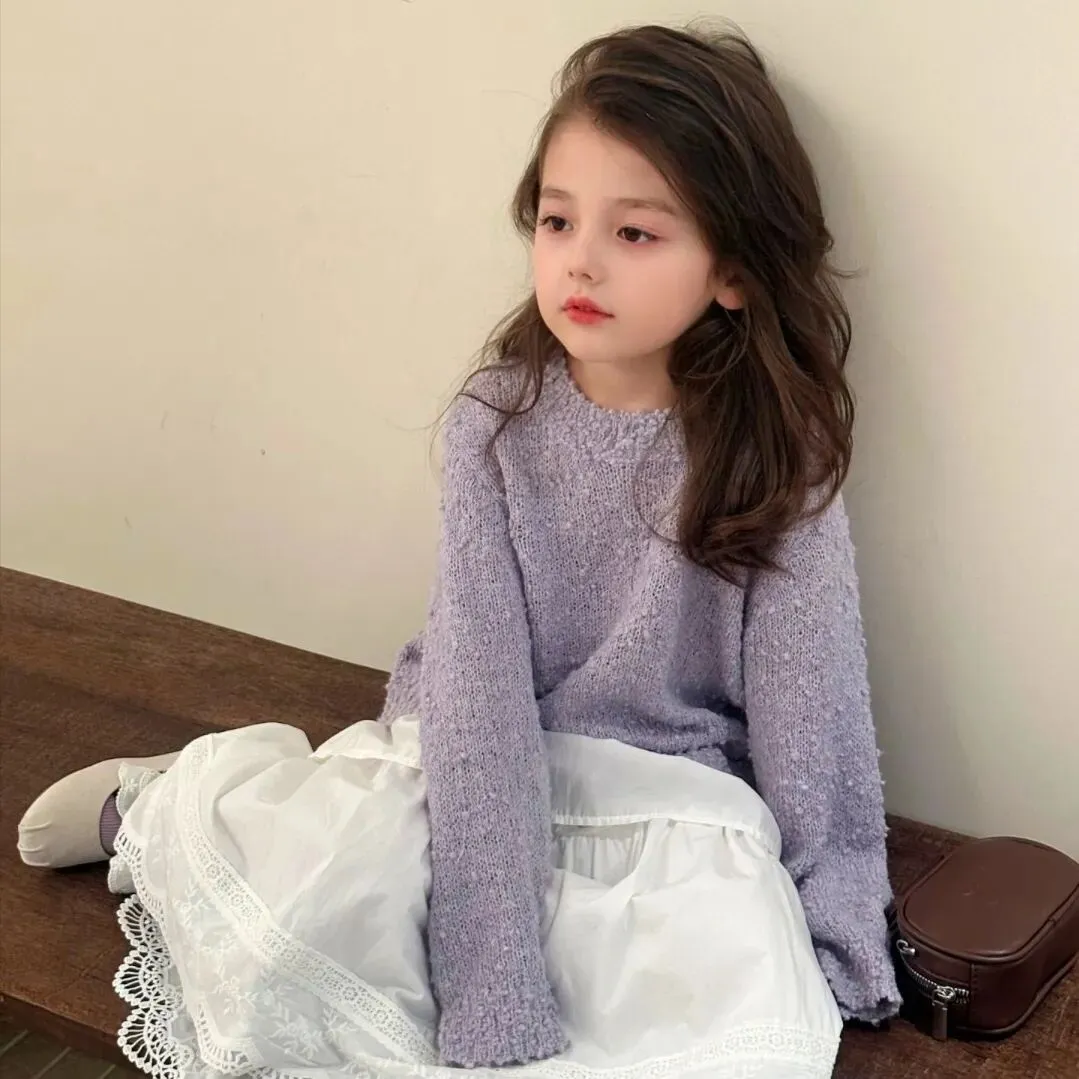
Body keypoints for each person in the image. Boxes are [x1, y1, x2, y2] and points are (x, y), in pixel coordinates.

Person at [17, 23, 900, 1079]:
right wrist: (491, 971)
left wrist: (835, 912)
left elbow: (812, 706)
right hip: (476, 763)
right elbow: (477, 687)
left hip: (666, 797)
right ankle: (167, 809)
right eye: (557, 219)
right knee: (325, 898)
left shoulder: (774, 456)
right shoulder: (499, 421)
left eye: (634, 232)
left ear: (734, 272)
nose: (578, 259)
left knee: (717, 1026)